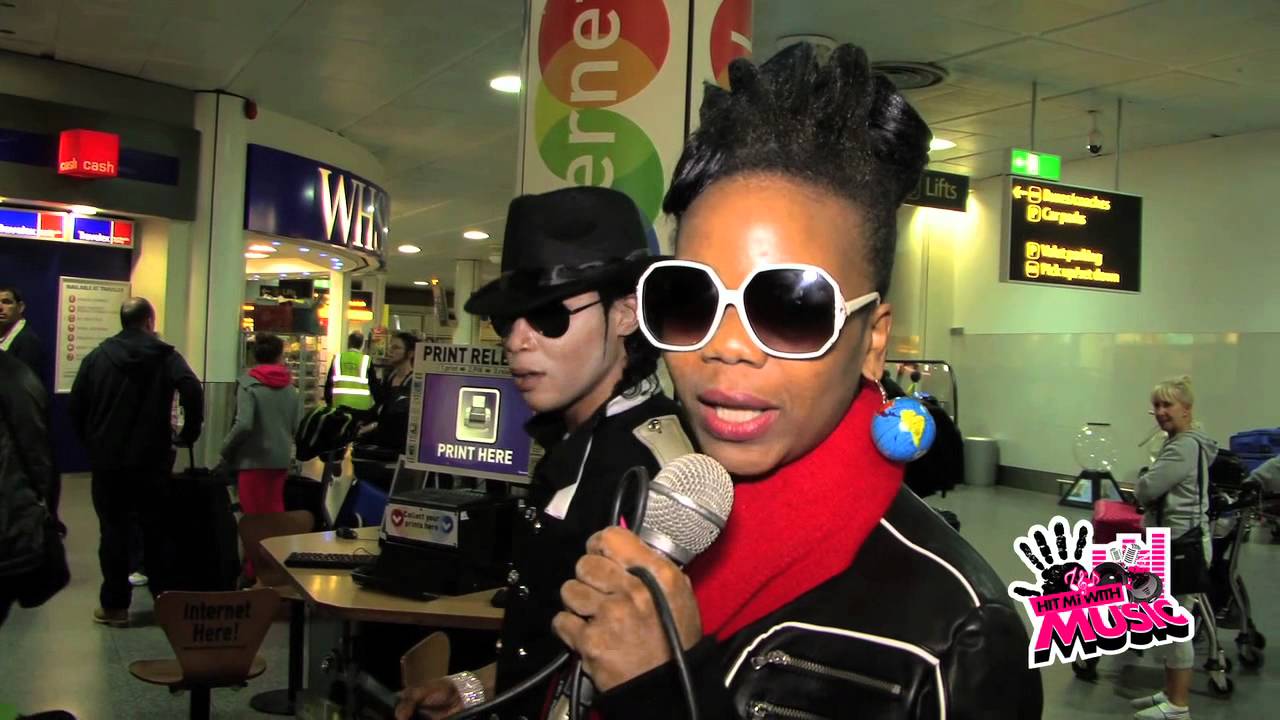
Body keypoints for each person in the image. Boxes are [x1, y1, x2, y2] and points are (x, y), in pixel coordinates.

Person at [548, 43, 1042, 718]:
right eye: (689, 299)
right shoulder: (657, 515)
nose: (725, 349)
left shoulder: (961, 633)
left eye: (790, 307)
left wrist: (662, 694)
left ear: (872, 342)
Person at [395, 187, 691, 720]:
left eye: (549, 317)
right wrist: (471, 687)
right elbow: (562, 652)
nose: (517, 341)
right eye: (508, 322)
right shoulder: (576, 443)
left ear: (626, 314)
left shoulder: (651, 475)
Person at [68, 297, 203, 627]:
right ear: (148, 322)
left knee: (112, 531)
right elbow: (192, 388)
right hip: (152, 459)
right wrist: (189, 432)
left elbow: (75, 405)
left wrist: (91, 441)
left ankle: (115, 607)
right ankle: (164, 603)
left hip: (108, 463)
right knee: (156, 531)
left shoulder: (97, 357)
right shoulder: (165, 357)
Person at [1131, 376, 1215, 720]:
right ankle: (1169, 692)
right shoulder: (1184, 442)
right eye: (1157, 405)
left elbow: (1148, 488)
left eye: (1168, 405)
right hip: (1175, 541)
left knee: (1176, 624)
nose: (1161, 412)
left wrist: (1142, 481)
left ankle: (1178, 706)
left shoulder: (1182, 446)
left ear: (1187, 409)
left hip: (1181, 545)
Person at [220, 333, 303, 582]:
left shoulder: (248, 384)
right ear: (280, 356)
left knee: (253, 520)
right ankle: (276, 572)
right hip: (279, 462)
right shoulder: (290, 388)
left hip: (252, 462)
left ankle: (254, 574)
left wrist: (225, 448)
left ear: (254, 355)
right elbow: (298, 426)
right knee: (275, 518)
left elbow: (243, 424)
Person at [357, 331, 416, 454]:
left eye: (396, 348)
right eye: (390, 346)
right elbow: (380, 406)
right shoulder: (389, 377)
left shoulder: (414, 382)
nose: (390, 351)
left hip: (400, 445)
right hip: (382, 442)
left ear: (410, 353)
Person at [324, 330, 377, 415]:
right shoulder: (366, 360)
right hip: (362, 408)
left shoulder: (338, 358)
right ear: (361, 345)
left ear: (348, 343)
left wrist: (329, 403)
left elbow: (329, 384)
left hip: (339, 406)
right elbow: (374, 386)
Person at [0, 286, 45, 381]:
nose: (0, 307)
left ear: (20, 307)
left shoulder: (27, 340)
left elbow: (25, 387)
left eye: (6, 302)